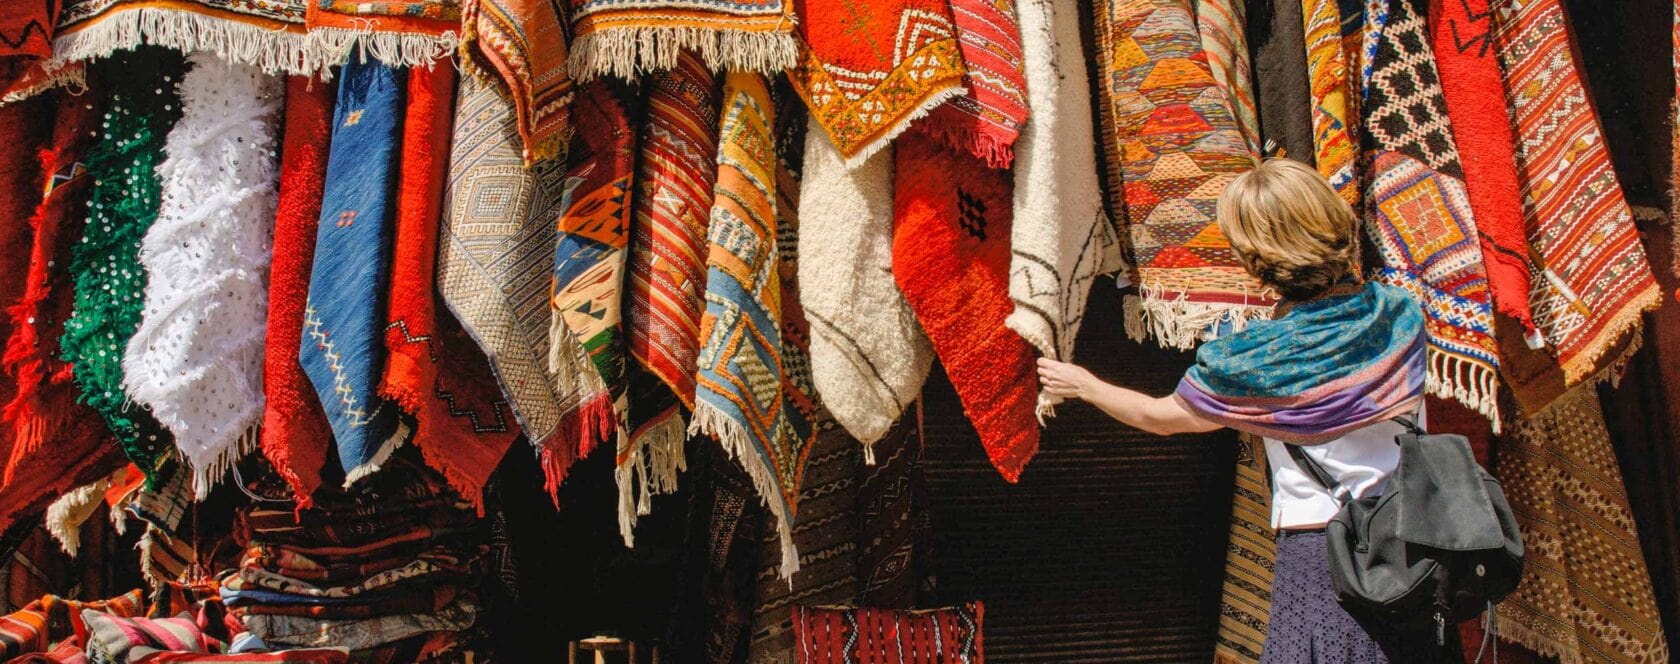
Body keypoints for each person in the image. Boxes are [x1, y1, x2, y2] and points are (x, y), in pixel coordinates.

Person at [1036, 158, 1447, 663]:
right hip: (1415, 546)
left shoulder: (1255, 358)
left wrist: (1085, 385)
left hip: (1325, 557)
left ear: (1257, 259)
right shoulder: (1401, 313)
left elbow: (1162, 417)